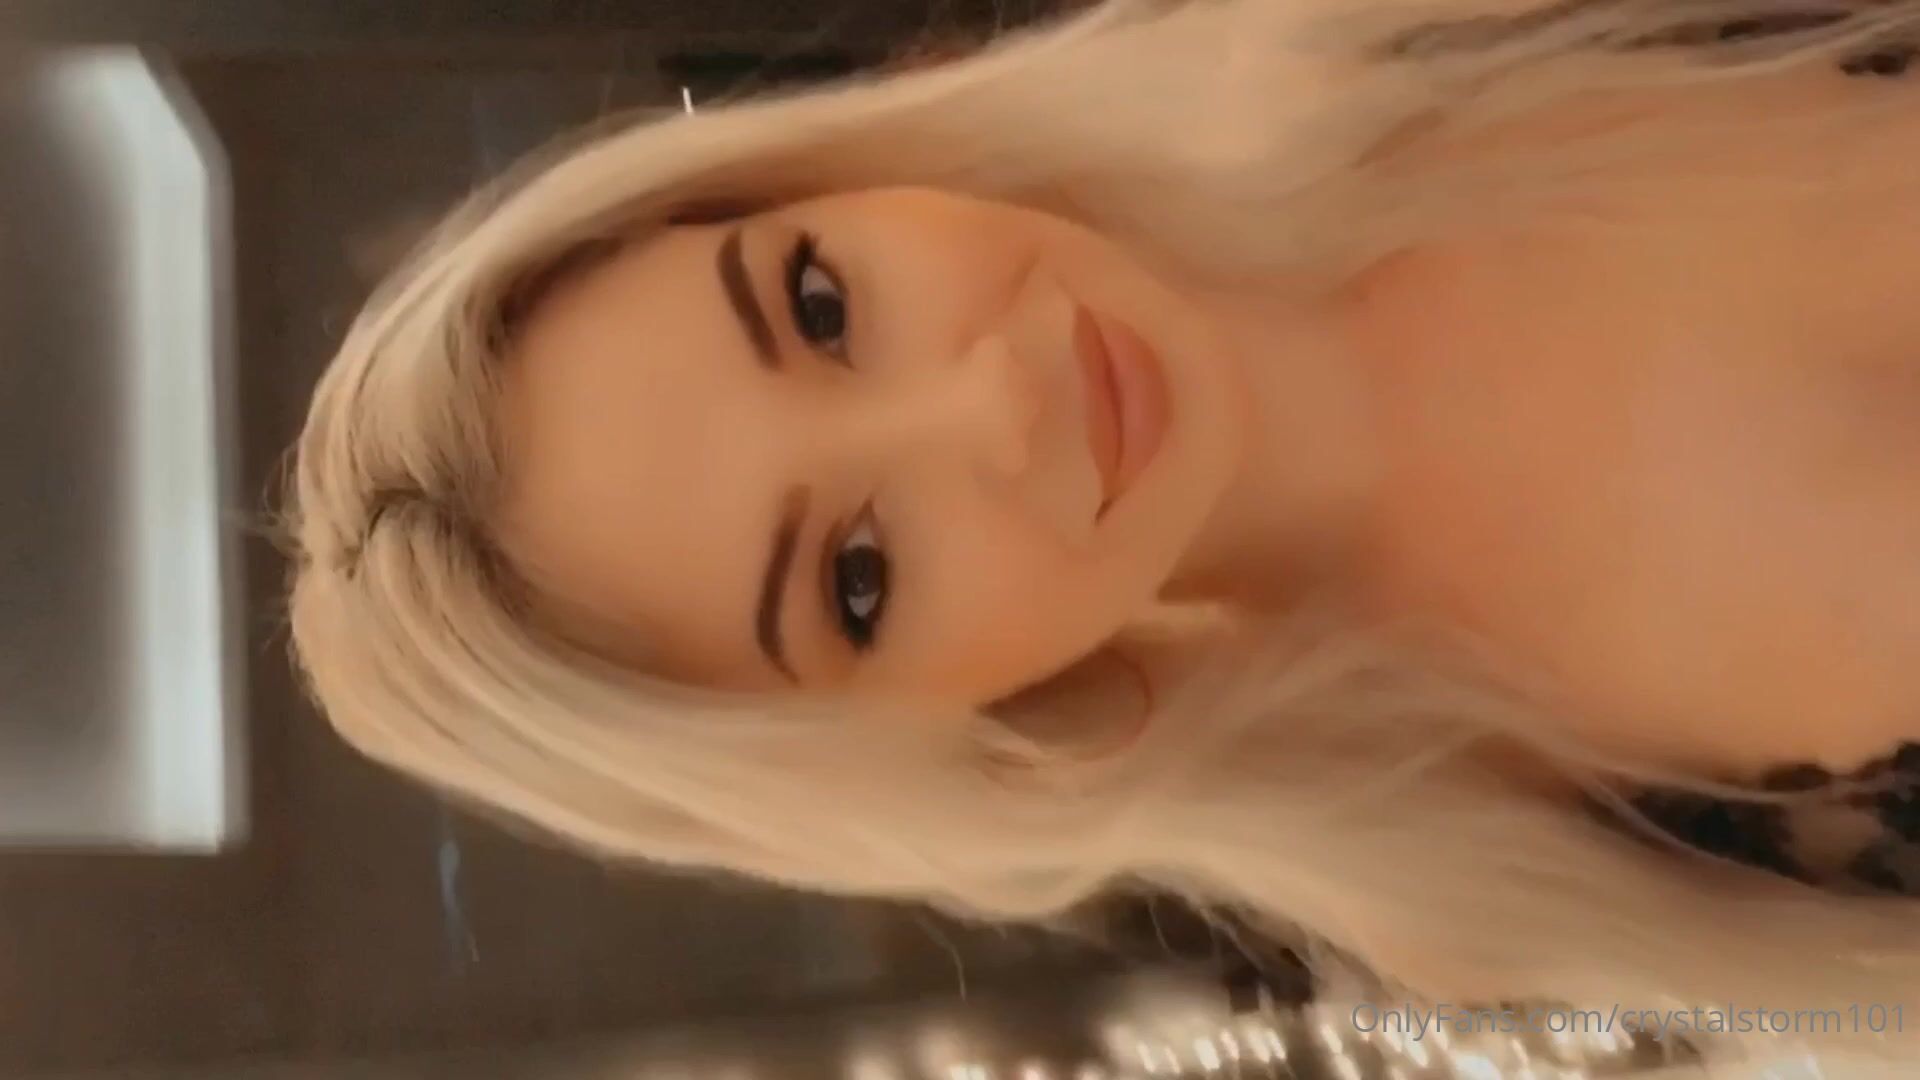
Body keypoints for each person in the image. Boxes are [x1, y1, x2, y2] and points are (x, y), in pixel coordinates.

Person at [284, 0, 1920, 1065]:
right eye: (860, 579)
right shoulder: (1495, 877)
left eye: (823, 304)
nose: (995, 404)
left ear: (823, 178)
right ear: (911, 738)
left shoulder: (1421, 32)